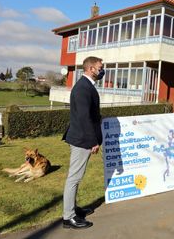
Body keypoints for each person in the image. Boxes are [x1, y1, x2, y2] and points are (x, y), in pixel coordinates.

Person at [62, 56, 105, 229]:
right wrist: (92, 141)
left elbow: (91, 115)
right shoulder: (82, 88)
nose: (102, 70)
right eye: (100, 67)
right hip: (81, 139)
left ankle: (73, 209)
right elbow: (83, 118)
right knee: (74, 178)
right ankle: (68, 217)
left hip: (82, 137)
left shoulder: (87, 86)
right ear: (90, 69)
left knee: (76, 177)